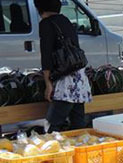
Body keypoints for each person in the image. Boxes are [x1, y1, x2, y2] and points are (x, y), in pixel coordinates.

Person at [35, 0, 91, 132]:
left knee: (52, 125)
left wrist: (48, 83)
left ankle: (54, 151)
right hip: (79, 77)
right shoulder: (65, 20)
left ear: (39, 7)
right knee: (78, 125)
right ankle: (80, 148)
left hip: (64, 81)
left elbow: (46, 55)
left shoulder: (46, 24)